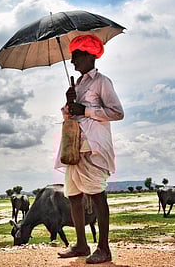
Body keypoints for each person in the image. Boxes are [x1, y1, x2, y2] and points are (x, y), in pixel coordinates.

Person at [55, 34, 124, 264]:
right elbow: (71, 115)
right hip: (74, 147)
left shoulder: (102, 82)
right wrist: (69, 104)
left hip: (93, 148)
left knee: (96, 195)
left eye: (76, 56)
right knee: (73, 195)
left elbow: (116, 113)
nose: (73, 62)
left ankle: (104, 248)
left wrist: (85, 110)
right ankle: (82, 245)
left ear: (88, 55)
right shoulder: (78, 85)